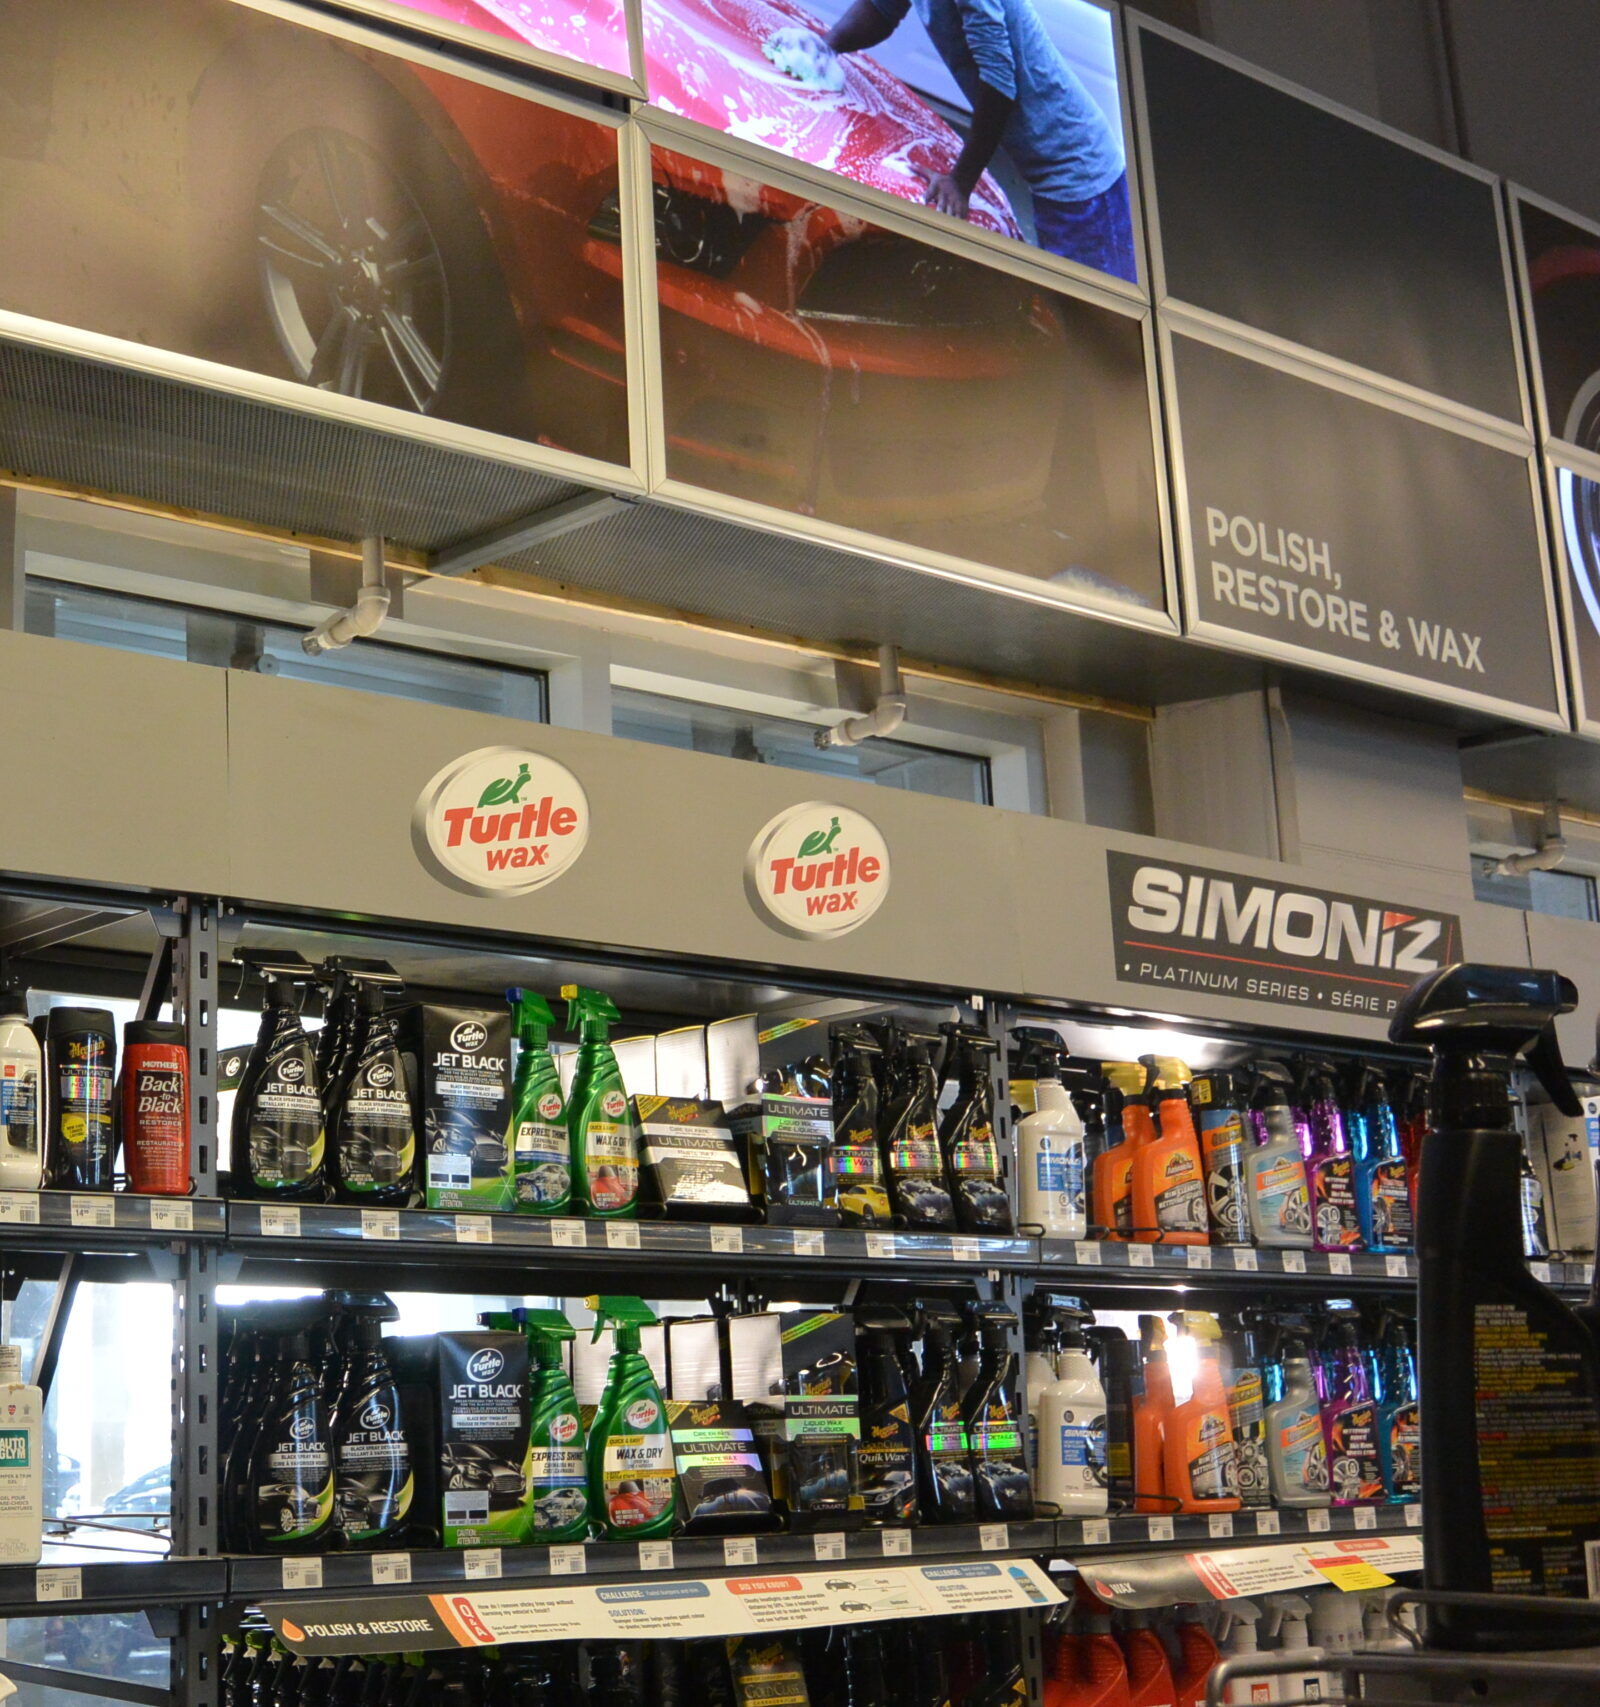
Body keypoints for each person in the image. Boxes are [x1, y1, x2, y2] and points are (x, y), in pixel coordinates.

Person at [821, 0, 1136, 279]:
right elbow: (881, 10)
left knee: (1089, 312)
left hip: (1083, 183)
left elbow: (999, 83)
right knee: (1065, 295)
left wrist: (960, 182)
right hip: (1052, 178)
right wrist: (825, 47)